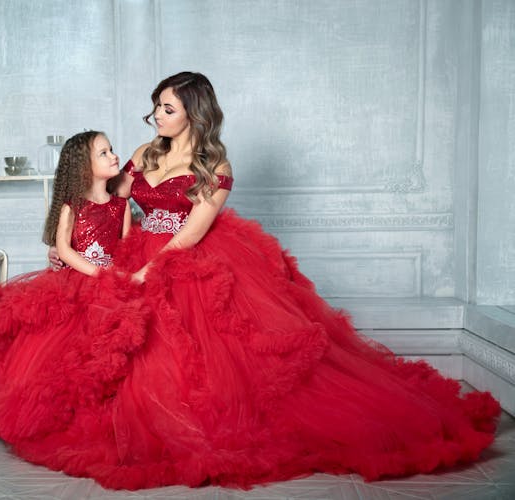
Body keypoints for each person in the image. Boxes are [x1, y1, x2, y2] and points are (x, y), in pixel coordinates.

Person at [41, 72, 500, 490]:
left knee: (209, 351)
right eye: (156, 107)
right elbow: (108, 200)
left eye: (167, 108)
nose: (155, 116)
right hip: (137, 247)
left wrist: (148, 269)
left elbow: (192, 232)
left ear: (193, 114)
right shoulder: (144, 153)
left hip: (185, 257)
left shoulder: (215, 168)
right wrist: (75, 239)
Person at [0, 131, 144, 438]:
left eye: (111, 150)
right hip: (74, 283)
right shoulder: (72, 206)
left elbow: (124, 248)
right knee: (61, 346)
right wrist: (100, 273)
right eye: (104, 153)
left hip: (109, 283)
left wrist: (118, 275)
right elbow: (66, 249)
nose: (114, 156)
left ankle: (108, 408)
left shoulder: (121, 206)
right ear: (84, 167)